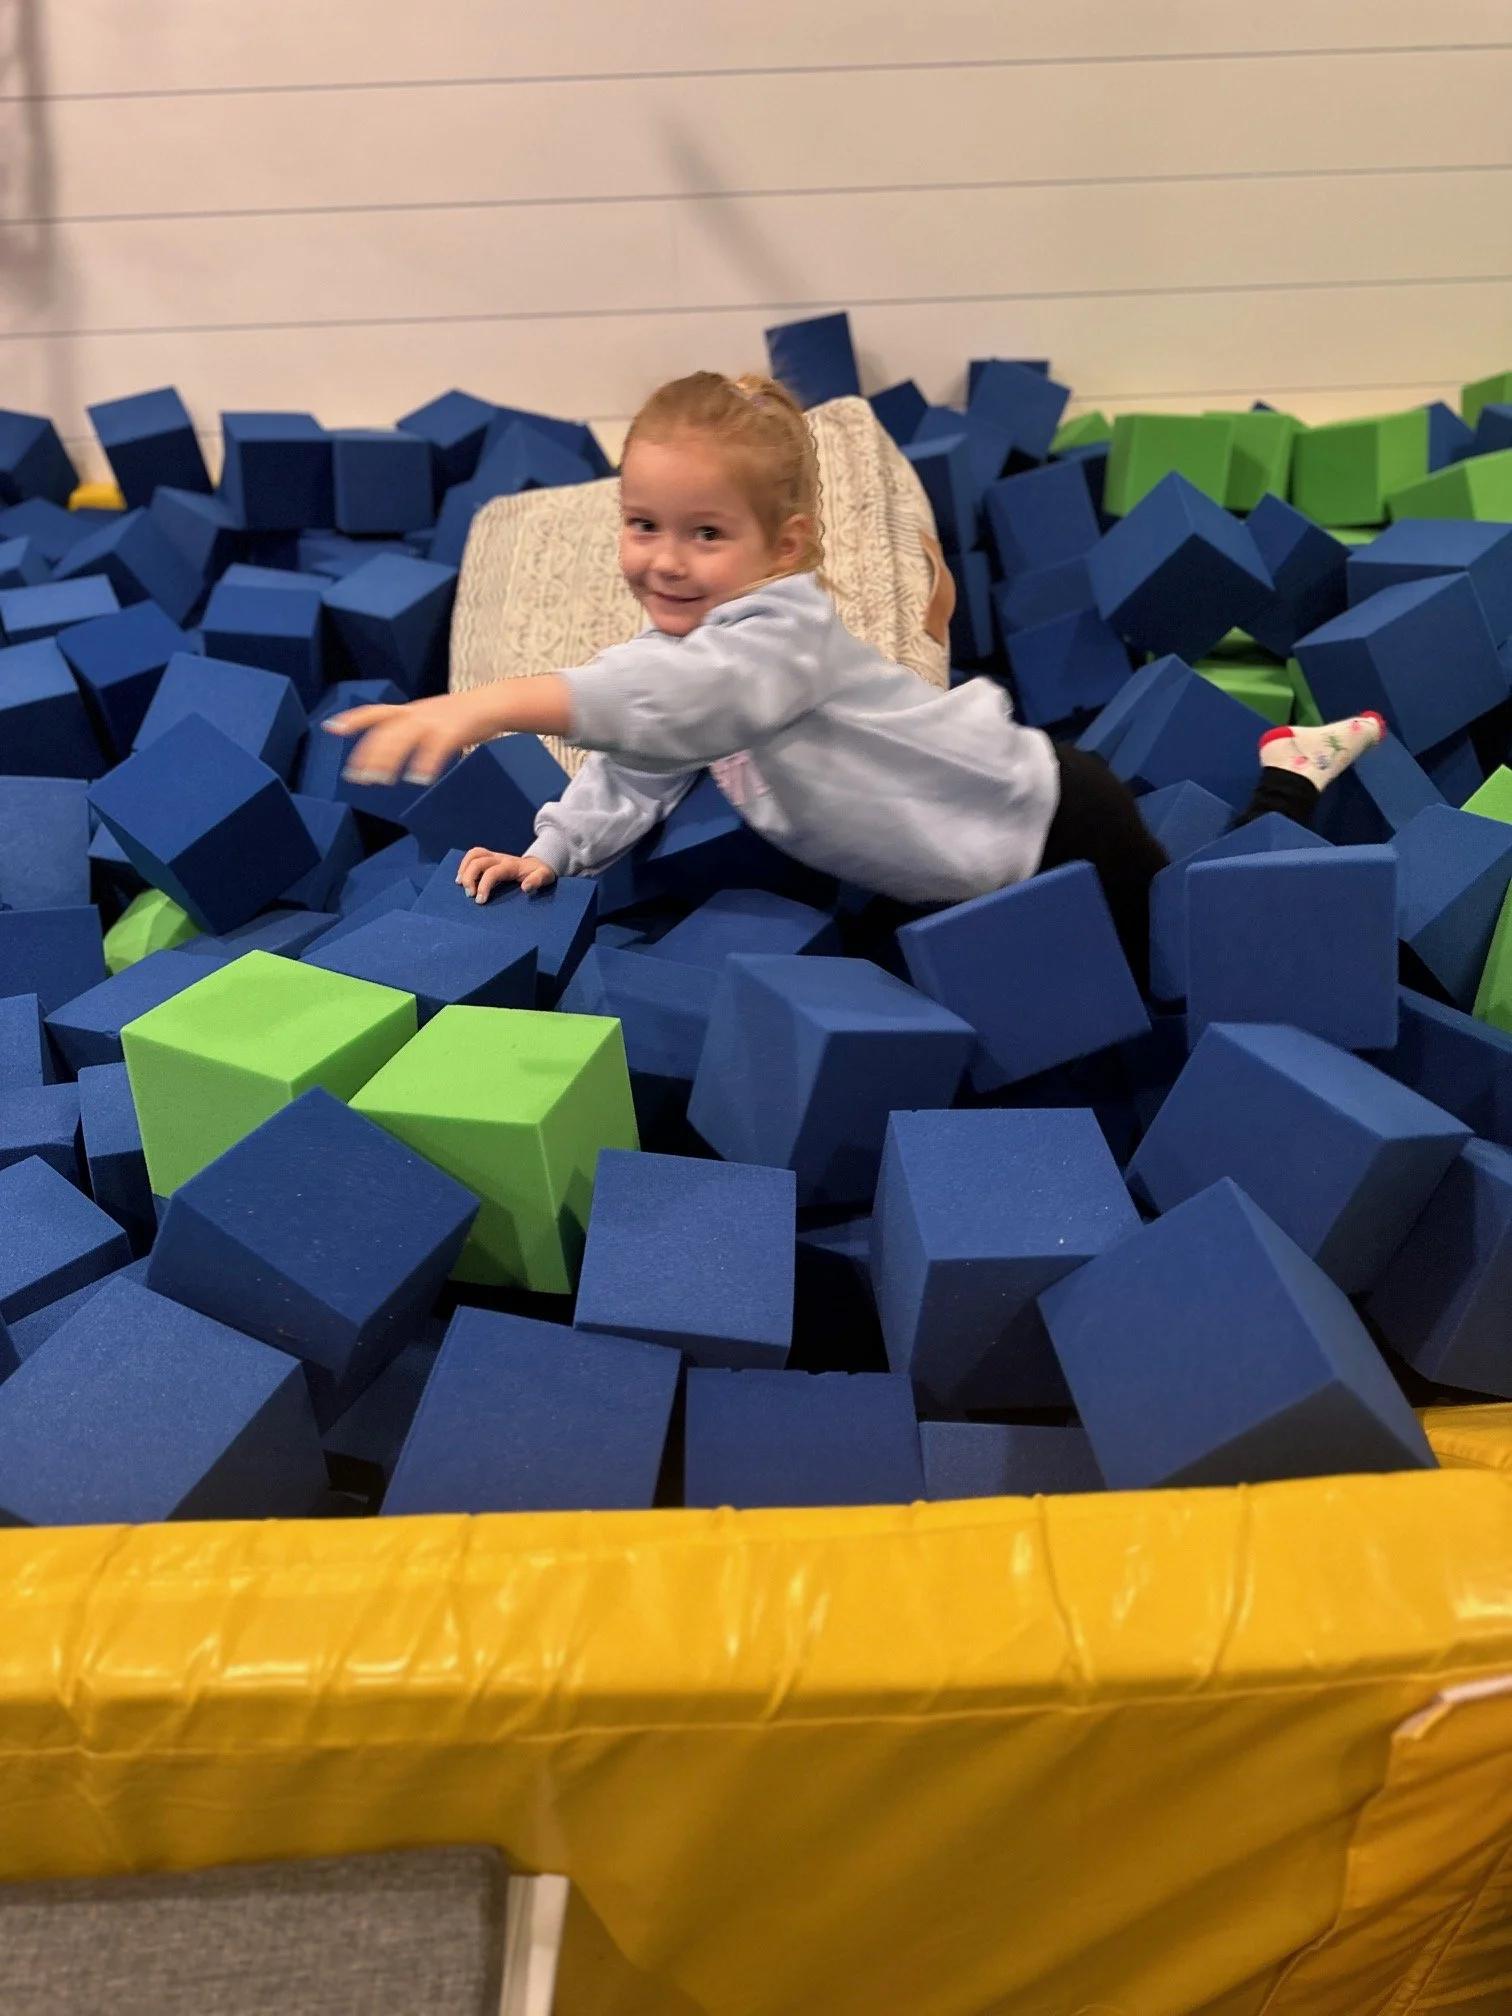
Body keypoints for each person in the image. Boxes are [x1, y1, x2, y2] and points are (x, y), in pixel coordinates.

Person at [326, 369, 1385, 984]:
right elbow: (636, 759)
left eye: (706, 533)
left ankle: (1291, 775)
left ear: (784, 547)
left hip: (1048, 815)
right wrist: (548, 851)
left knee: (1193, 956)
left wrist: (493, 703)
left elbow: (683, 706)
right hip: (938, 858)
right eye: (643, 525)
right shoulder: (666, 657)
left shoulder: (781, 636)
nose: (664, 559)